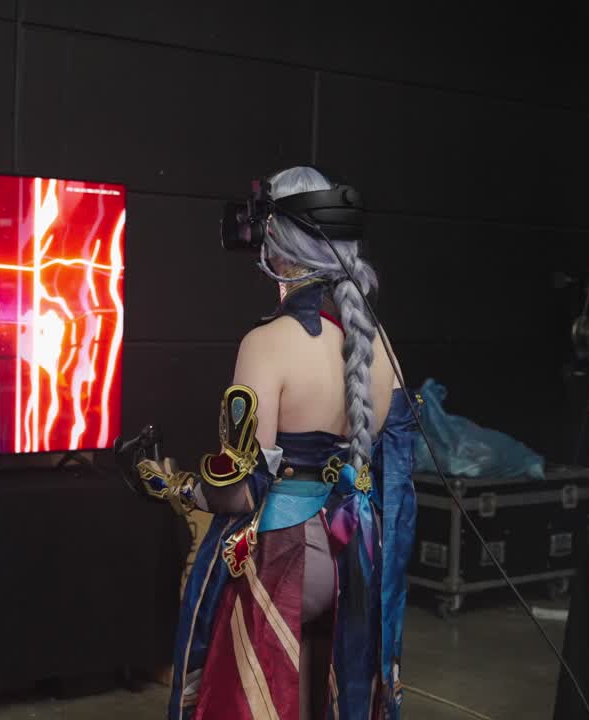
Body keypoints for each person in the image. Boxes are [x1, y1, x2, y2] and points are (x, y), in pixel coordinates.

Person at [133, 167, 420, 719]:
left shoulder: (266, 344)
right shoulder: (379, 345)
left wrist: (171, 484)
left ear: (276, 248)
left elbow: (239, 492)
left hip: (284, 562)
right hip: (359, 556)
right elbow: (394, 474)